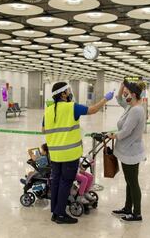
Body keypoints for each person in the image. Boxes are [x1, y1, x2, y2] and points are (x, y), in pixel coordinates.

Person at [43, 82, 114, 224]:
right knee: (65, 183)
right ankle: (61, 214)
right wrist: (105, 99)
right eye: (68, 90)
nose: (70, 92)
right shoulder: (71, 107)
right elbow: (92, 110)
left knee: (56, 182)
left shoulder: (48, 110)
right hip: (69, 155)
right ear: (63, 94)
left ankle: (55, 212)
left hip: (55, 154)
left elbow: (43, 130)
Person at [108, 80, 146, 222]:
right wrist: (121, 88)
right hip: (127, 150)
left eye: (127, 93)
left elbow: (126, 131)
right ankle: (127, 208)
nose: (125, 96)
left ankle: (137, 213)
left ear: (134, 95)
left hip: (131, 152)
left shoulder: (136, 110)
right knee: (129, 182)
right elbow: (119, 100)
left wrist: (113, 135)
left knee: (133, 183)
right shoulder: (131, 107)